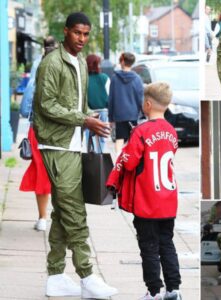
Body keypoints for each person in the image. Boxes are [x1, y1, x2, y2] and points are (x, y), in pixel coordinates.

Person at [33, 12, 118, 298]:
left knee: (62, 212)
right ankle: (88, 276)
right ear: (66, 31)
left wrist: (89, 119)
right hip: (55, 145)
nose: (82, 39)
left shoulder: (80, 61)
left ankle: (56, 276)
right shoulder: (52, 62)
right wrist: (83, 120)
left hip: (73, 143)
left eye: (86, 34)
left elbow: (75, 104)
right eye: (77, 33)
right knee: (75, 212)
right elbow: (46, 105)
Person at [108, 82, 182, 300]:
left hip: (147, 200)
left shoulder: (141, 131)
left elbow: (129, 164)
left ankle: (154, 291)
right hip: (168, 200)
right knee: (167, 243)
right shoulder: (171, 131)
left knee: (149, 247)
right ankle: (174, 289)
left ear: (147, 104)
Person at [19, 36, 56, 231]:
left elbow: (25, 110)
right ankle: (61, 218)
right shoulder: (64, 80)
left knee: (42, 173)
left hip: (38, 132)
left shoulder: (35, 81)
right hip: (61, 132)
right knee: (61, 174)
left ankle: (42, 218)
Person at [108, 52, 144, 155]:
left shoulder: (115, 78)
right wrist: (142, 113)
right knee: (133, 139)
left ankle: (119, 162)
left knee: (119, 139)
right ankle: (130, 162)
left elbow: (111, 99)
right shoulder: (137, 79)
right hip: (133, 114)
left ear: (122, 62)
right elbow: (140, 97)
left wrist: (111, 118)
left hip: (119, 114)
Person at [86, 54, 110, 152]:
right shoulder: (104, 78)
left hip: (88, 111)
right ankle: (99, 157)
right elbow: (110, 95)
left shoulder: (84, 79)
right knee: (101, 137)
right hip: (102, 110)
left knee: (88, 136)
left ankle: (90, 156)